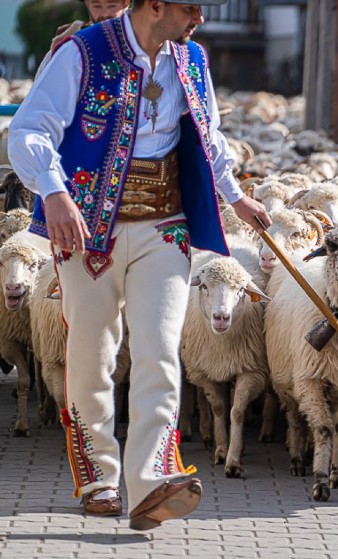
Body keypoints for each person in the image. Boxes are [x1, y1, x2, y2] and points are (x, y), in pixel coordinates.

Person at [8, 0, 271, 530]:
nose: (200, 17)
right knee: (92, 354)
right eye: (192, 7)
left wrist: (235, 197)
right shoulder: (82, 52)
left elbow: (209, 135)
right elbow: (30, 130)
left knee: (159, 348)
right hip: (86, 231)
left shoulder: (191, 59)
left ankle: (151, 481)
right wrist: (53, 192)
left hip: (165, 225)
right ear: (155, 5)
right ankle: (100, 478)